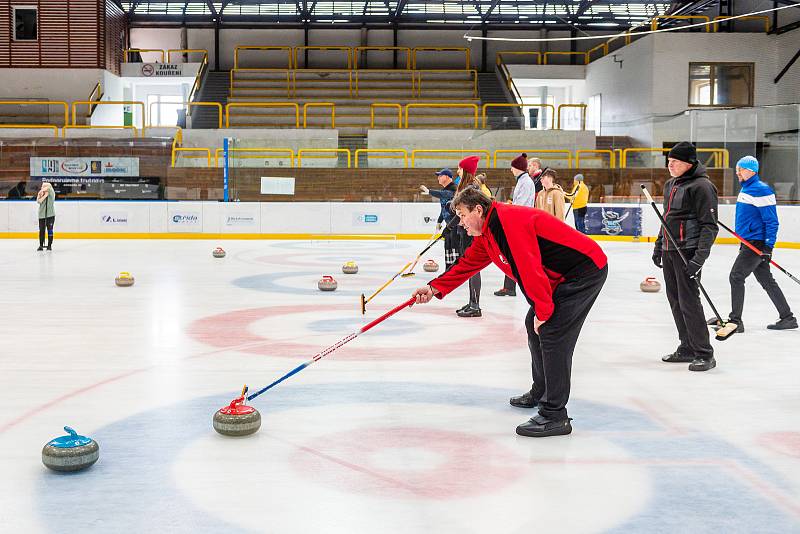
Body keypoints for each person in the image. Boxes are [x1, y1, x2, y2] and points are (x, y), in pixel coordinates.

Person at [411, 187, 608, 437]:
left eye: (462, 215)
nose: (460, 224)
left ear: (478, 210)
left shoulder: (507, 224)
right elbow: (467, 264)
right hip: (562, 276)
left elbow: (529, 269)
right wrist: (433, 287)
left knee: (552, 332)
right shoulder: (489, 233)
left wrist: (544, 312)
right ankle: (541, 392)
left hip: (584, 271)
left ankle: (555, 415)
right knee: (533, 325)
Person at [652, 141, 719, 372]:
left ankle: (704, 353)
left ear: (688, 163)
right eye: (668, 161)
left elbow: (709, 227)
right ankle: (687, 347)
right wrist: (659, 245)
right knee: (675, 301)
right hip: (671, 250)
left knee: (689, 302)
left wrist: (699, 259)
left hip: (687, 251)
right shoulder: (671, 184)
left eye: (675, 162)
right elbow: (666, 218)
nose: (670, 165)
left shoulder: (702, 186)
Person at [711, 156, 797, 335]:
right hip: (748, 242)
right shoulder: (747, 188)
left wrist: (768, 247)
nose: (737, 173)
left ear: (751, 171)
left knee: (736, 276)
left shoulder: (761, 190)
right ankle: (787, 317)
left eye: (740, 170)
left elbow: (772, 222)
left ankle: (735, 321)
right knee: (766, 280)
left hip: (755, 243)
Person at [495, 153, 535, 298]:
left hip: (520, 224)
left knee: (515, 256)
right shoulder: (522, 181)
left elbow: (521, 205)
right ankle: (509, 286)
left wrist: (508, 211)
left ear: (518, 168)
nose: (511, 170)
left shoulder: (525, 182)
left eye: (512, 167)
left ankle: (513, 286)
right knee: (512, 255)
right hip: (519, 222)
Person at [451, 155, 486, 318]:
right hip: (464, 231)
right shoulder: (465, 186)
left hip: (471, 233)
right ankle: (472, 301)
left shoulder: (471, 189)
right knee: (469, 267)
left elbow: (469, 213)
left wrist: (453, 224)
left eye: (460, 168)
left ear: (465, 171)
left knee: (472, 267)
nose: (457, 171)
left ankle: (475, 305)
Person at [420, 168, 458, 270]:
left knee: (455, 248)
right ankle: (448, 270)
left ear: (446, 177)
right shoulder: (443, 190)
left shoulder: (454, 188)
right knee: (447, 247)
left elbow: (446, 195)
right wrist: (439, 221)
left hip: (456, 225)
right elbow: (443, 209)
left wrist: (429, 192)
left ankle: (456, 271)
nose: (438, 178)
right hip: (448, 224)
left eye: (440, 176)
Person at [36, 182, 56, 251]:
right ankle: (41, 245)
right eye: (42, 186)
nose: (42, 187)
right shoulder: (41, 193)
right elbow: (38, 201)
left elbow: (49, 188)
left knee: (50, 230)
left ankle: (49, 245)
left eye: (44, 186)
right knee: (41, 230)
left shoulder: (51, 192)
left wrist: (45, 189)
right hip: (41, 216)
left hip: (50, 215)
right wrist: (43, 195)